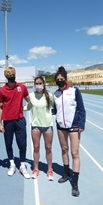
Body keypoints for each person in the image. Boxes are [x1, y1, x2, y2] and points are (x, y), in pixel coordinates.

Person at [53, 66, 86, 197]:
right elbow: (55, 110)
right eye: (58, 79)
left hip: (74, 125)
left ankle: (75, 183)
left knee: (74, 152)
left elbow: (82, 109)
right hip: (61, 126)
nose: (60, 81)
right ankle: (66, 174)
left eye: (62, 79)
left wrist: (81, 124)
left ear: (66, 79)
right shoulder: (55, 94)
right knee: (64, 149)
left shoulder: (74, 91)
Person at [0, 66, 31, 179]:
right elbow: (0, 107)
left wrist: (30, 106)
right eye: (9, 75)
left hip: (20, 120)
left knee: (22, 144)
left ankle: (22, 165)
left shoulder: (22, 87)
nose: (11, 76)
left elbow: (29, 100)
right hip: (8, 121)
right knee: (8, 144)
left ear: (15, 75)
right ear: (6, 76)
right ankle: (12, 164)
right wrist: (0, 123)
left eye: (12, 75)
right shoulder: (2, 91)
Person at [24, 76, 54, 180]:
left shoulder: (49, 95)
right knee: (36, 147)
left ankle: (50, 170)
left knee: (48, 148)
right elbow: (28, 107)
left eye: (40, 83)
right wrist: (18, 108)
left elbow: (55, 107)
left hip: (48, 125)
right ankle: (36, 169)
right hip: (35, 125)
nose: (38, 85)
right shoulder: (31, 96)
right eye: (36, 83)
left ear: (44, 84)